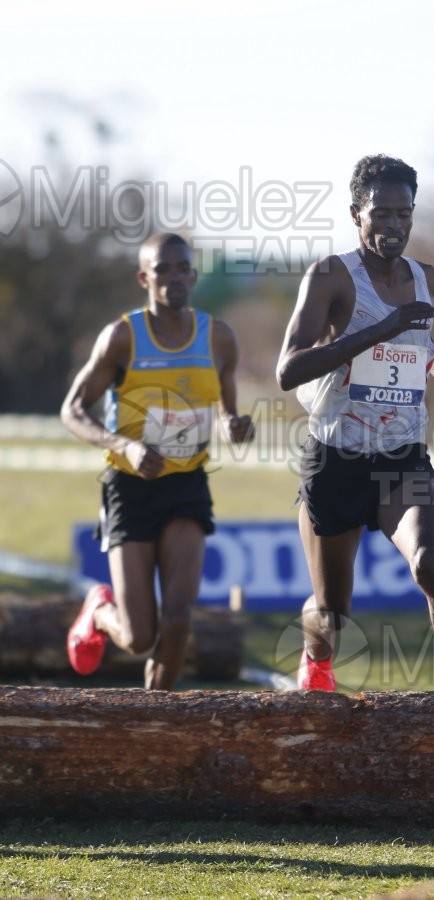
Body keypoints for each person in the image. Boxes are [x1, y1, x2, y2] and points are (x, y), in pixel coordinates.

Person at [276, 154, 434, 763]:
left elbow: (420, 341)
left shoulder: (426, 277)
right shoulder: (330, 276)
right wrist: (378, 329)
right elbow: (289, 369)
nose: (393, 223)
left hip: (400, 456)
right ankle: (315, 657)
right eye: (380, 211)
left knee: (431, 562)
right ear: (356, 213)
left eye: (403, 212)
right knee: (331, 613)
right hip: (335, 458)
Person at [61, 232, 254, 690]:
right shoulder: (123, 337)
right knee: (138, 636)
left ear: (193, 272)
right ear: (143, 277)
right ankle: (98, 610)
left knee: (179, 620)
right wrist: (124, 445)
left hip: (186, 485)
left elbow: (227, 411)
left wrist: (233, 426)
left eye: (181, 267)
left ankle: (157, 720)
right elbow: (72, 409)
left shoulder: (219, 338)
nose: (173, 277)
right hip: (129, 487)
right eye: (160, 269)